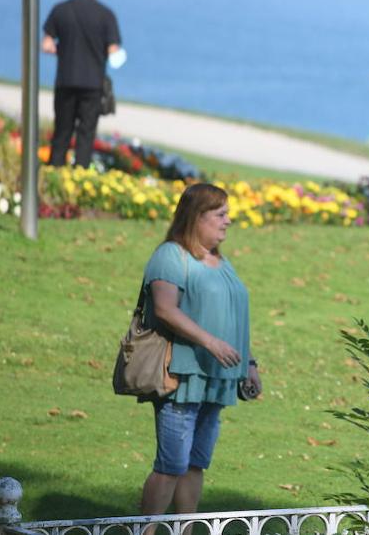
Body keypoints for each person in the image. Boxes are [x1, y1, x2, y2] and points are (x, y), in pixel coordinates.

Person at [139, 183, 260, 524]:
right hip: (183, 376)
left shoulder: (221, 262)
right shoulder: (171, 256)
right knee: (171, 465)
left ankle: (185, 530)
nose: (228, 221)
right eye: (220, 214)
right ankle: (145, 531)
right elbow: (165, 309)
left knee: (195, 464)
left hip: (217, 378)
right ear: (196, 216)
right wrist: (211, 343)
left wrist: (250, 363)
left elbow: (233, 319)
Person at [42, 0, 122, 167]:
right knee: (86, 134)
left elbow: (47, 45)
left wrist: (64, 50)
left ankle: (55, 171)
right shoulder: (106, 15)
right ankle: (80, 173)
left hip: (66, 79)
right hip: (92, 83)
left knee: (62, 130)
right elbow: (114, 53)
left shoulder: (60, 10)